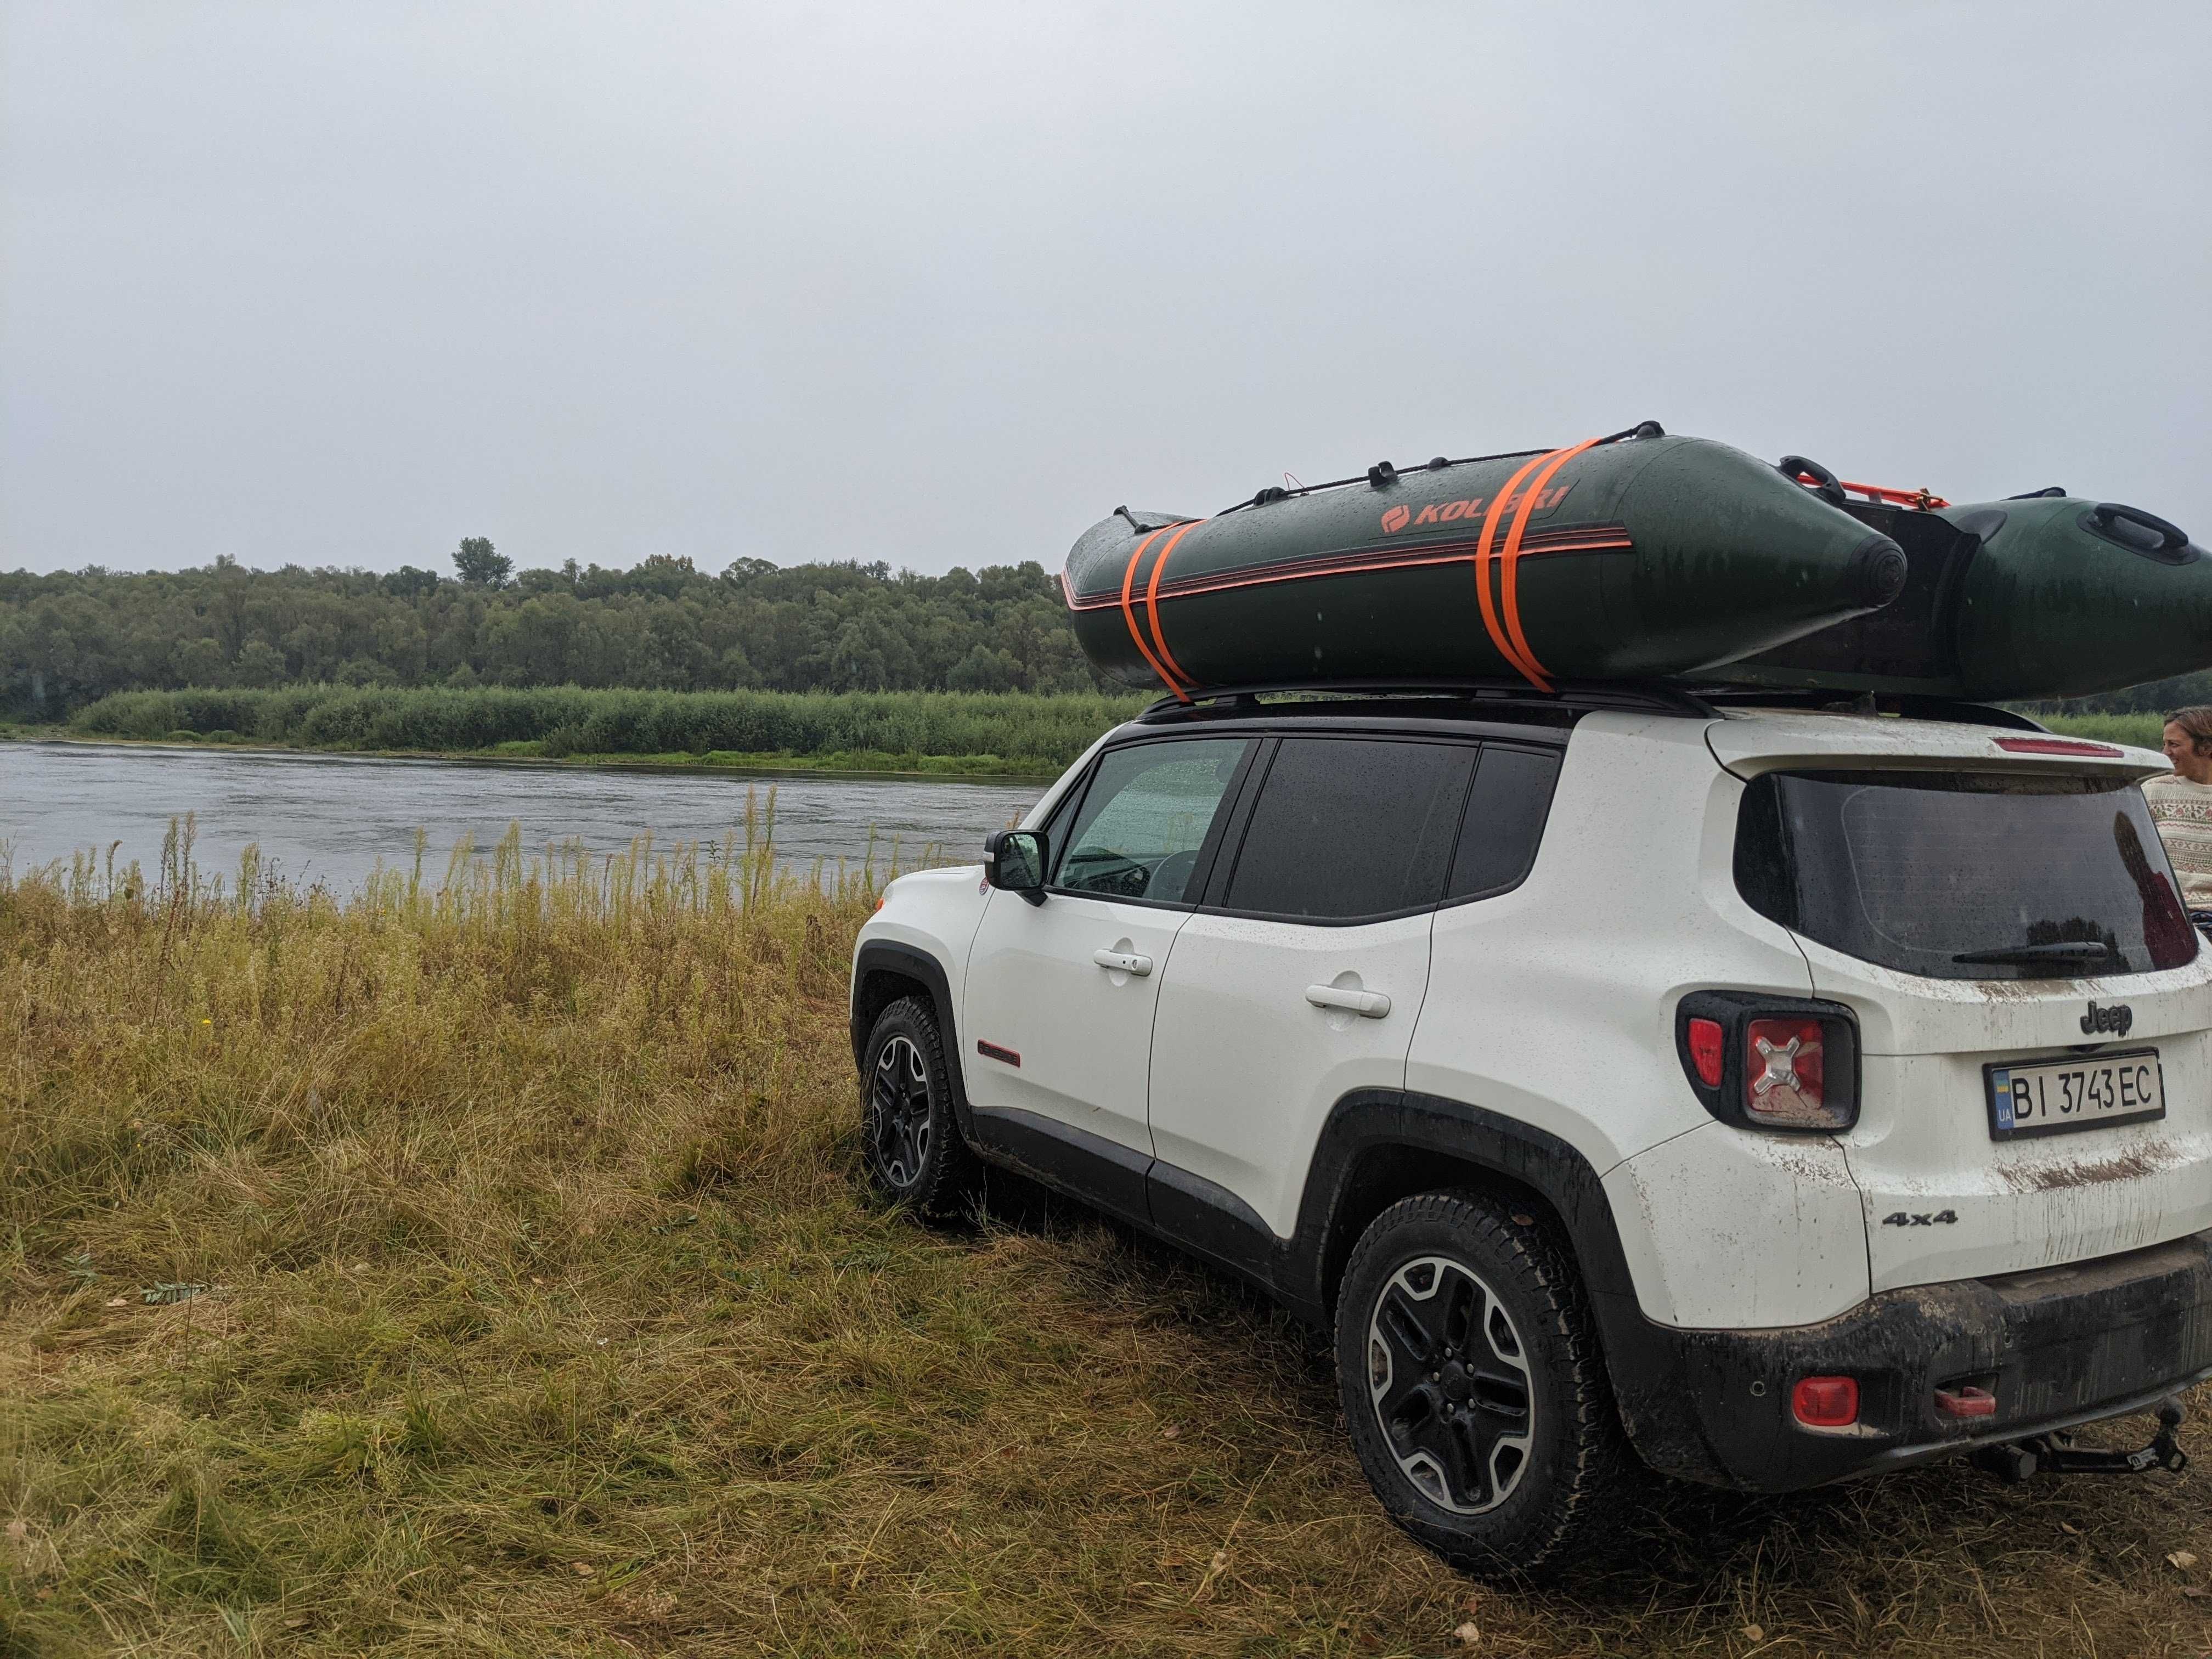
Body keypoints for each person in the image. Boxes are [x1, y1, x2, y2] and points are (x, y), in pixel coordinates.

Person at [2146, 706, 2212, 921]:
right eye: (2165, 744)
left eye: (2173, 745)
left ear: (2206, 748)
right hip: (2164, 914)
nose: (2165, 753)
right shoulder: (2152, 791)